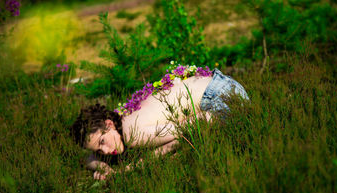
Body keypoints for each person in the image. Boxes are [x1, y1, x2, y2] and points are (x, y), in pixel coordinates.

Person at [71, 67, 249, 180]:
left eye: (102, 142)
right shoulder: (121, 117)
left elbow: (185, 134)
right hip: (222, 84)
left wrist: (125, 171)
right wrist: (101, 166)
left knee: (187, 150)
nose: (107, 151)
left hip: (223, 99)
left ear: (108, 124)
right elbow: (85, 158)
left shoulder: (133, 133)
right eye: (99, 150)